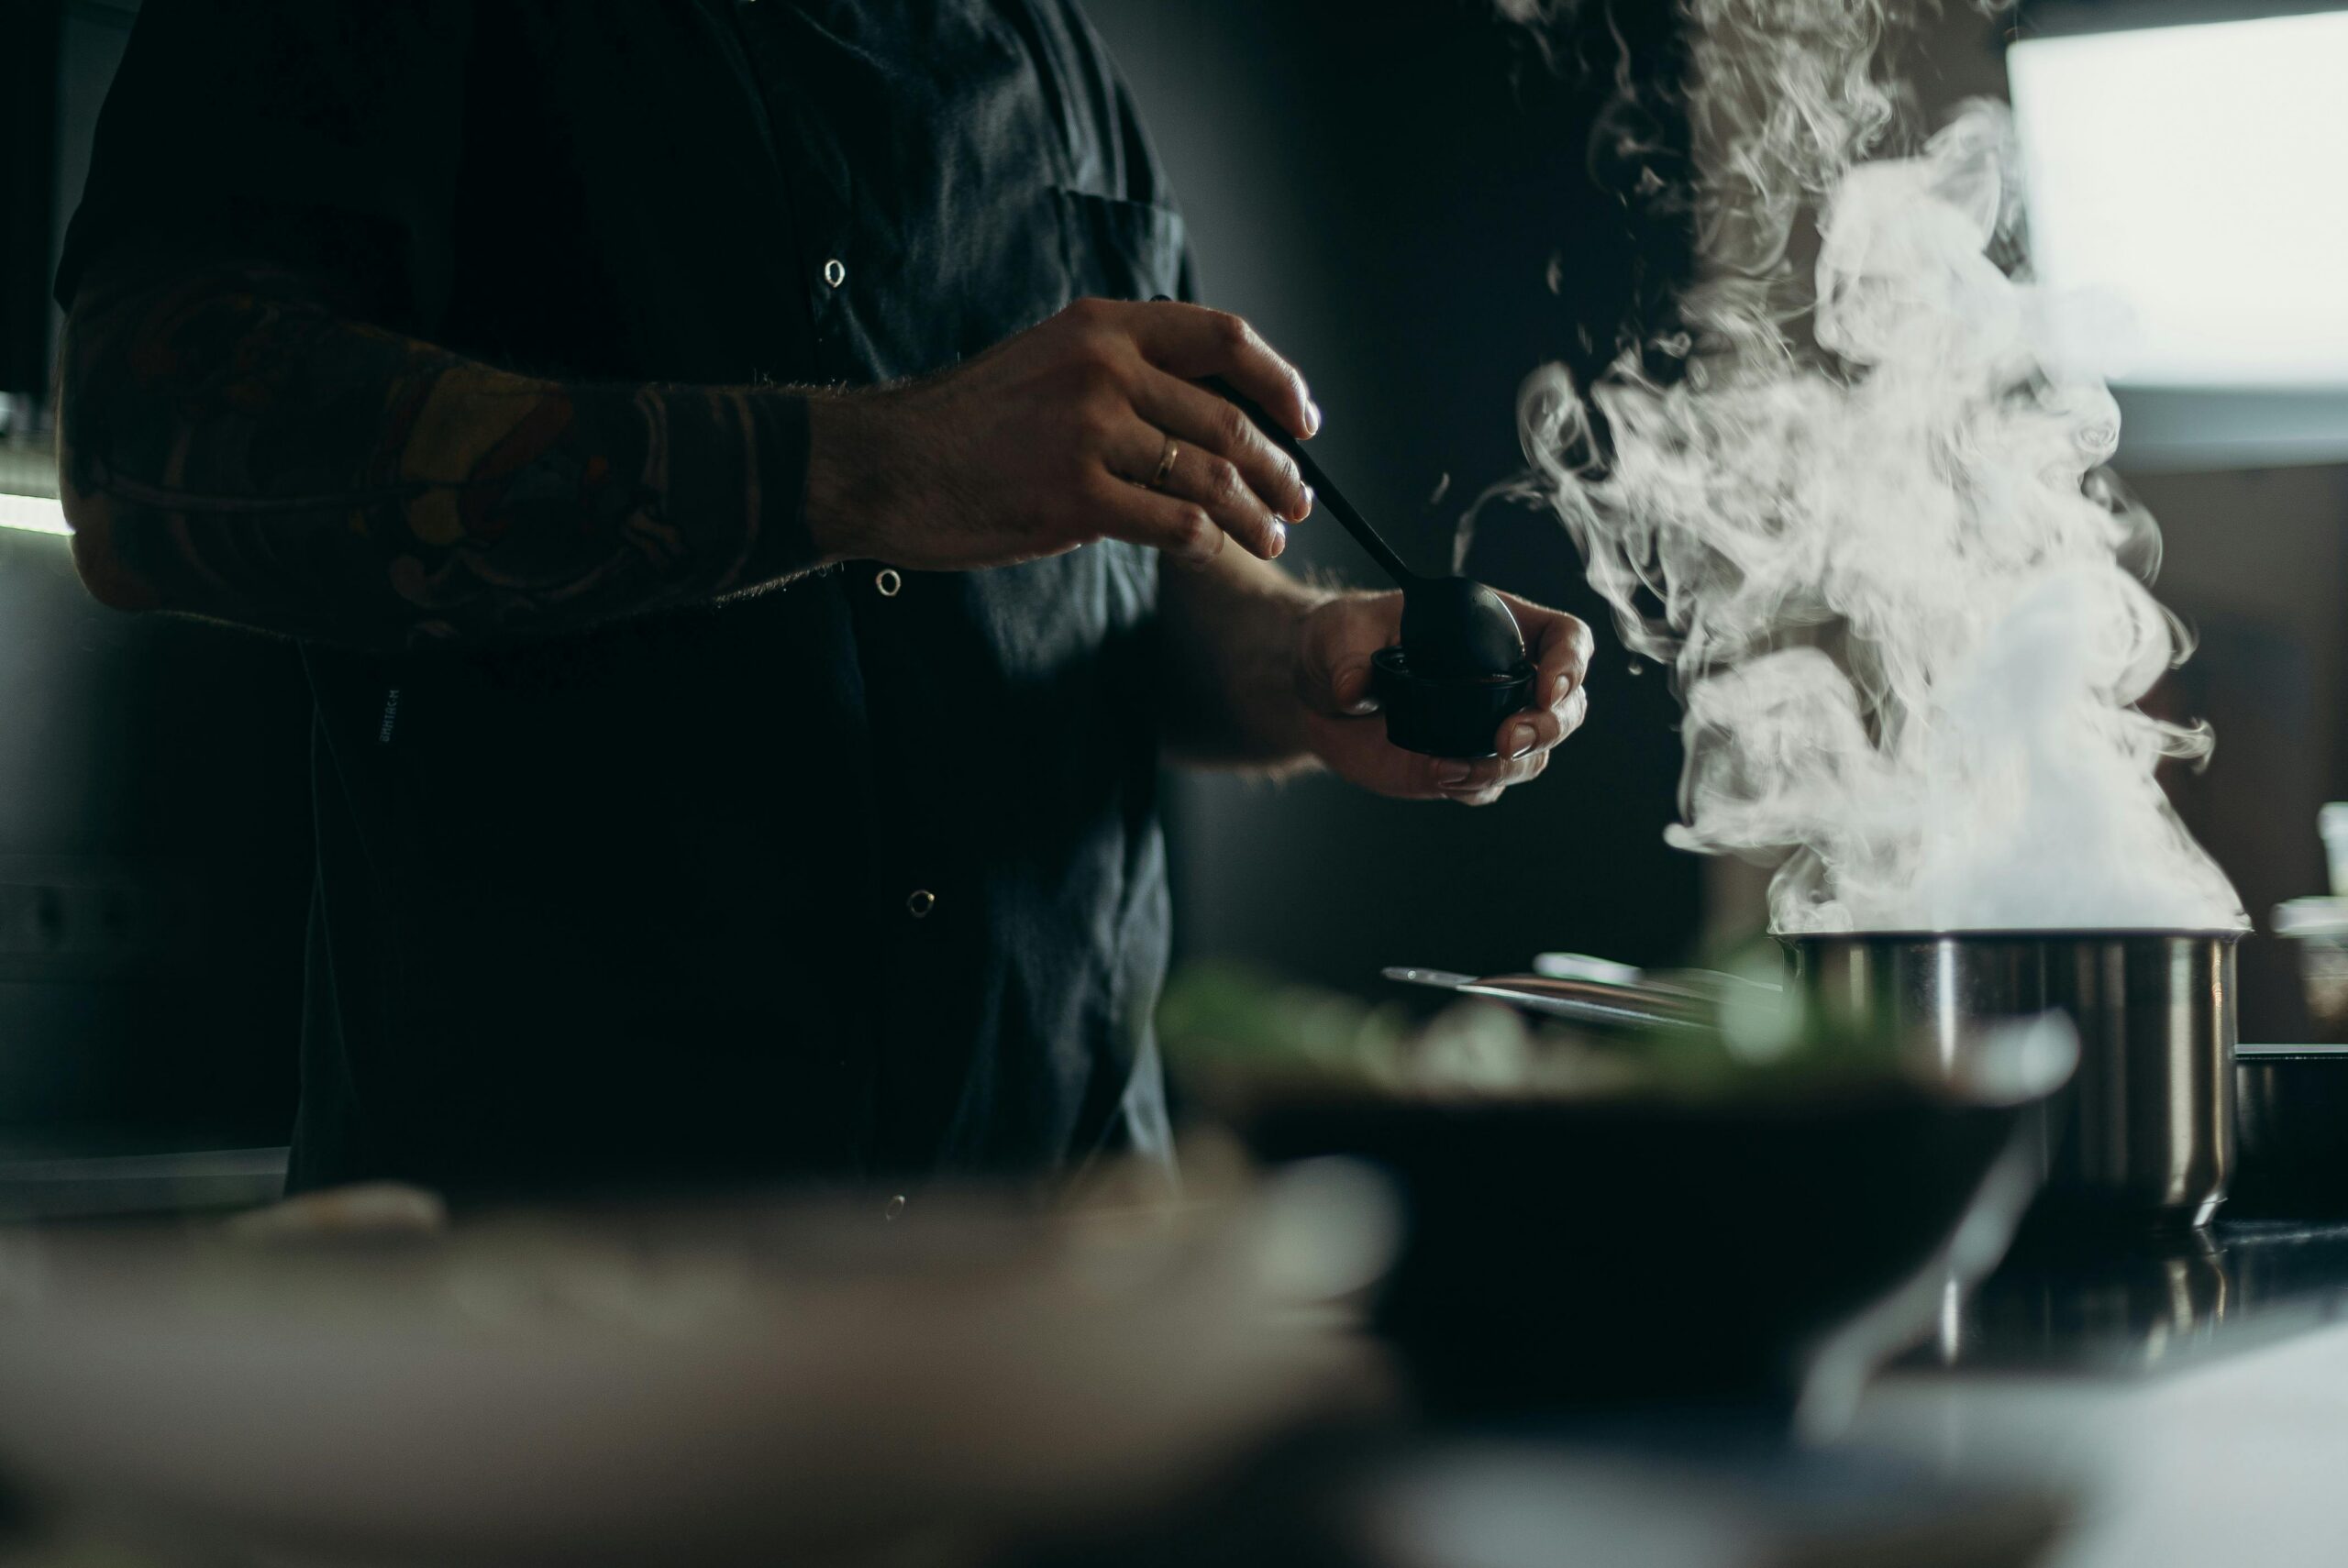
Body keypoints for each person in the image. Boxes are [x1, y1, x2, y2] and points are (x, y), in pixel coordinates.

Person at [52, 0, 1592, 1205]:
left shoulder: (1054, 56)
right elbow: (145, 465)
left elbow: (1115, 589)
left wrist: (1296, 657)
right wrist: (877, 463)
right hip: (546, 1326)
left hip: (1057, 1281)